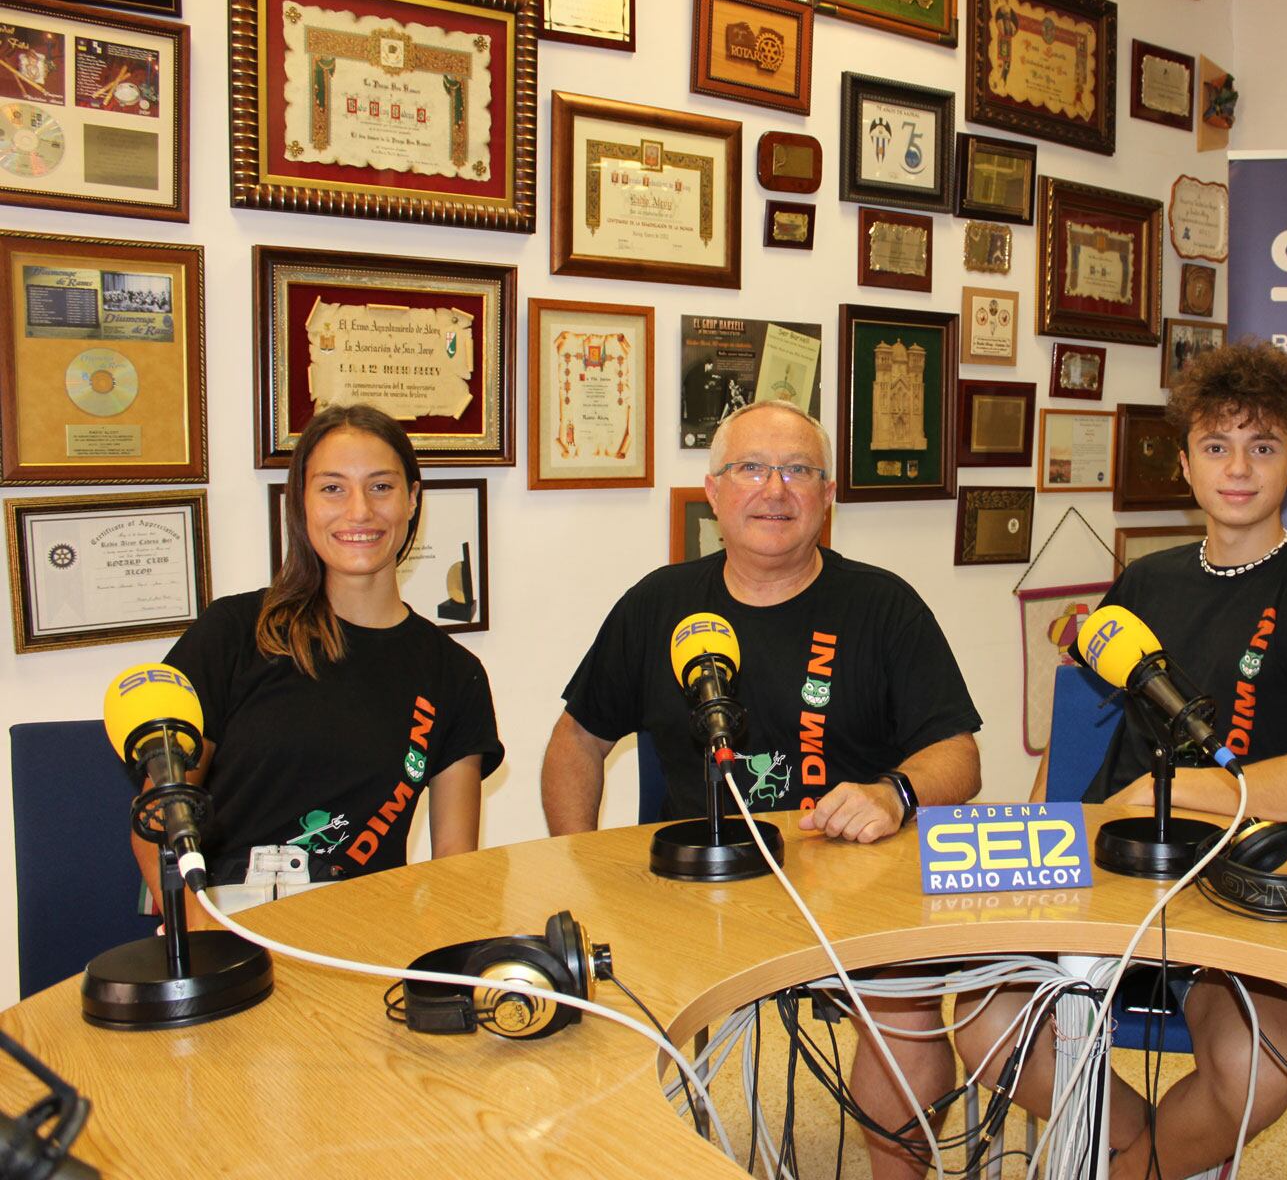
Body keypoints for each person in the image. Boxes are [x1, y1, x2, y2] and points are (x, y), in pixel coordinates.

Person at [953, 341, 1287, 1179]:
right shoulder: (1143, 584)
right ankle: (1131, 1147)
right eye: (1217, 447)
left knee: (1251, 1074)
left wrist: (1183, 792)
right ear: (1185, 466)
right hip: (1118, 876)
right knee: (982, 1021)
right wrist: (1042, 839)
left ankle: (1133, 1170)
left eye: (1263, 447)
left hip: (1245, 888)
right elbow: (1075, 741)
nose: (1239, 469)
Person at [540, 399, 982, 1179]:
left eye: (798, 471)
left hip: (853, 885)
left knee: (906, 1013)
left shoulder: (883, 606)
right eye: (750, 468)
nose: (773, 490)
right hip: (694, 890)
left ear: (826, 495)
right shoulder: (658, 605)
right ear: (712, 492)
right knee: (584, 1017)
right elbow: (577, 742)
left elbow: (957, 754)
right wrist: (579, 866)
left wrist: (894, 794)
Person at [142, 404, 503, 919]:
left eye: (381, 487)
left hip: (363, 937)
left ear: (412, 499)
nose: (359, 511)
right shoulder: (233, 633)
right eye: (332, 487)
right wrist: (203, 937)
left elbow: (455, 865)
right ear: (301, 502)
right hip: (223, 925)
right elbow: (158, 819)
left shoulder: (454, 674)